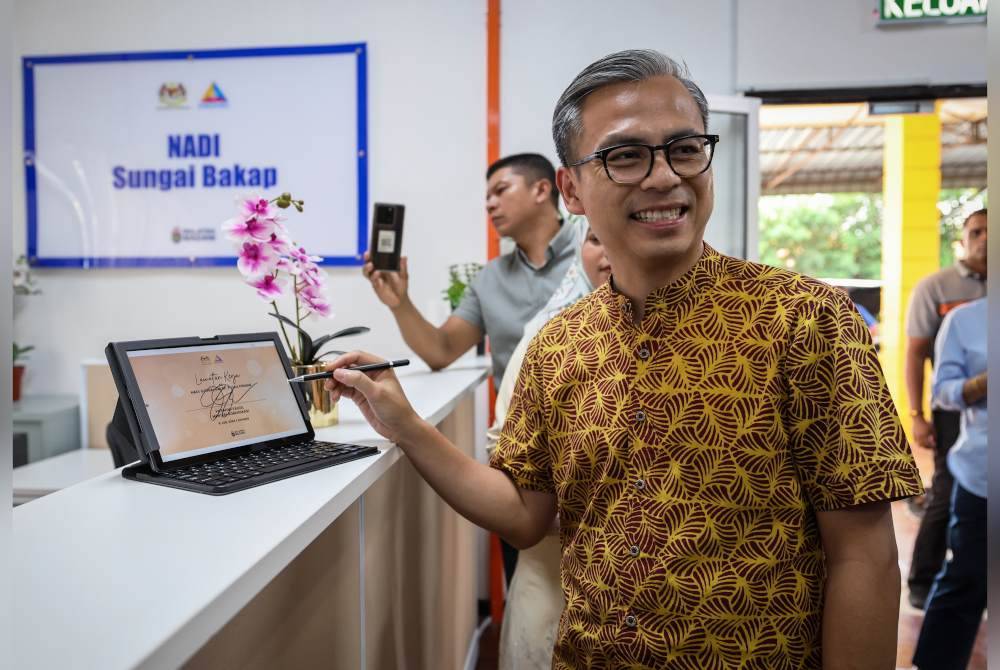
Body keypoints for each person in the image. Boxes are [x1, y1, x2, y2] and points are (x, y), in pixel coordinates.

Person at [328, 49, 923, 668]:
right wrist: (402, 423)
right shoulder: (557, 345)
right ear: (572, 189)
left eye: (686, 148)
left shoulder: (806, 321)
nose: (664, 176)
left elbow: (866, 557)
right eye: (626, 155)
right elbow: (526, 516)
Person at [488, 222, 611, 670]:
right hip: (555, 586)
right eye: (597, 238)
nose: (610, 250)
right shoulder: (548, 341)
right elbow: (505, 451)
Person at [362, 152, 578, 391]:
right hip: (519, 425)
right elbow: (441, 351)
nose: (489, 204)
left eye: (501, 190)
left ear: (541, 190)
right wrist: (400, 303)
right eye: (487, 197)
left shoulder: (598, 255)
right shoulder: (489, 279)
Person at [904, 209, 987, 609]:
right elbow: (915, 354)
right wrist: (917, 416)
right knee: (947, 490)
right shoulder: (937, 287)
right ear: (963, 239)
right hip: (954, 407)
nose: (985, 239)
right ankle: (922, 582)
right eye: (976, 231)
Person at [911, 297, 987, 670]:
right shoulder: (966, 320)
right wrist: (984, 383)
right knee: (966, 582)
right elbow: (942, 392)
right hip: (983, 479)